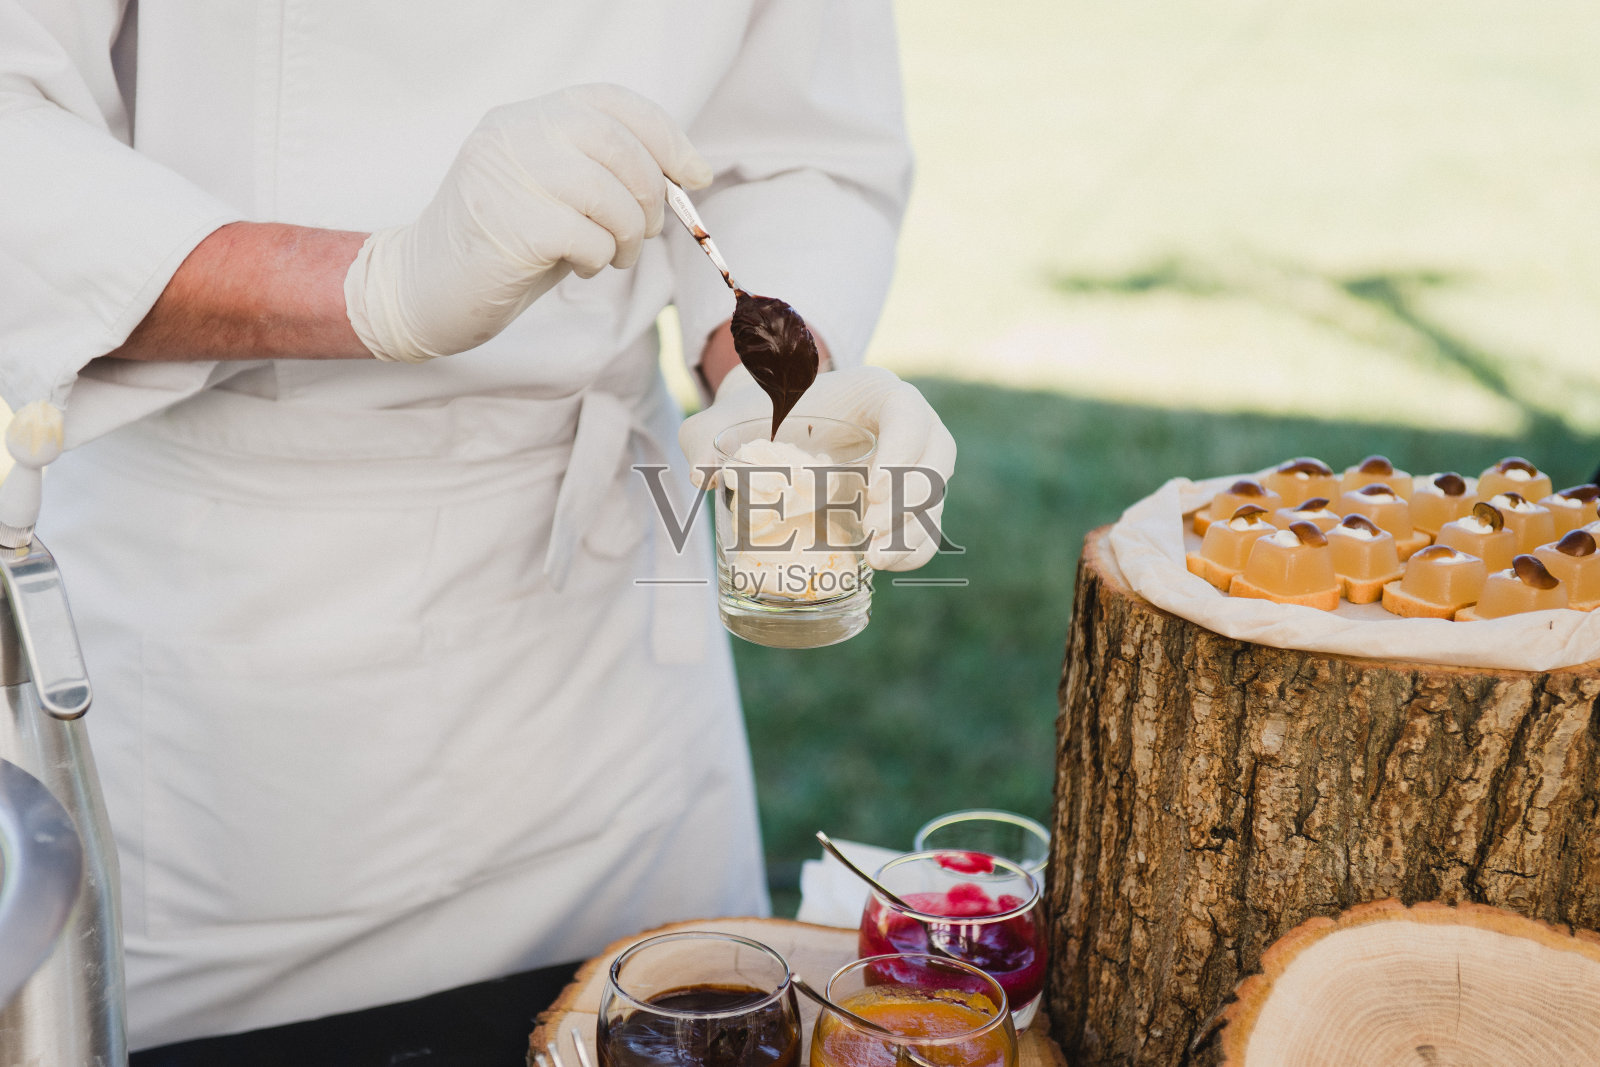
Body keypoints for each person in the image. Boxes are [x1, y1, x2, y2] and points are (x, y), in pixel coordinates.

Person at [0, 0, 954, 1049]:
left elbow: (795, 151)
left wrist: (780, 389)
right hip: (225, 679)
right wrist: (378, 286)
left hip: (604, 675)